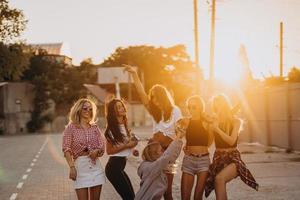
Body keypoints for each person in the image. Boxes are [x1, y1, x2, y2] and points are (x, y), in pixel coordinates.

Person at [124, 65, 182, 200]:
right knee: (149, 186)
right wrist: (134, 75)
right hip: (152, 151)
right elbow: (141, 93)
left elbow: (180, 131)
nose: (154, 101)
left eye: (157, 98)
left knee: (166, 190)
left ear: (163, 97)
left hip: (166, 152)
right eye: (153, 98)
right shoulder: (154, 111)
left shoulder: (175, 110)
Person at [204, 94, 259, 200]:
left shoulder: (236, 121)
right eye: (215, 107)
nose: (217, 110)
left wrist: (217, 129)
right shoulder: (214, 122)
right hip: (218, 157)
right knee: (217, 182)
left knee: (219, 179)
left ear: (225, 106)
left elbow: (231, 141)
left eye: (219, 106)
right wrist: (209, 128)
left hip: (233, 157)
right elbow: (208, 144)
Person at [62, 98, 106, 200]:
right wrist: (72, 167)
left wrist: (97, 151)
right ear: (78, 110)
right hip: (80, 167)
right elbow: (66, 149)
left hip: (96, 167)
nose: (88, 111)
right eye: (85, 108)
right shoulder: (71, 128)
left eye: (90, 109)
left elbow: (102, 146)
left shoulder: (94, 127)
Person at [135, 119, 187, 200]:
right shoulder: (153, 167)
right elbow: (167, 156)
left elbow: (170, 156)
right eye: (161, 151)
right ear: (154, 154)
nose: (163, 152)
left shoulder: (146, 165)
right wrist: (178, 138)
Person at [104, 98, 138, 200]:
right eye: (118, 107)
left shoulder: (124, 126)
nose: (122, 108)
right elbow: (109, 151)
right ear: (113, 112)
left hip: (120, 167)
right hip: (113, 168)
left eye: (122, 105)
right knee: (129, 198)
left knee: (132, 197)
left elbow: (123, 145)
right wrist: (127, 146)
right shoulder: (111, 129)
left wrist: (132, 150)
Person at [181, 95, 213, 200]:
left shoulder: (207, 123)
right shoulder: (186, 121)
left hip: (203, 161)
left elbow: (209, 143)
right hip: (188, 160)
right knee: (185, 197)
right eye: (189, 107)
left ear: (200, 107)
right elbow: (179, 135)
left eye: (193, 107)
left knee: (197, 197)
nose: (191, 110)